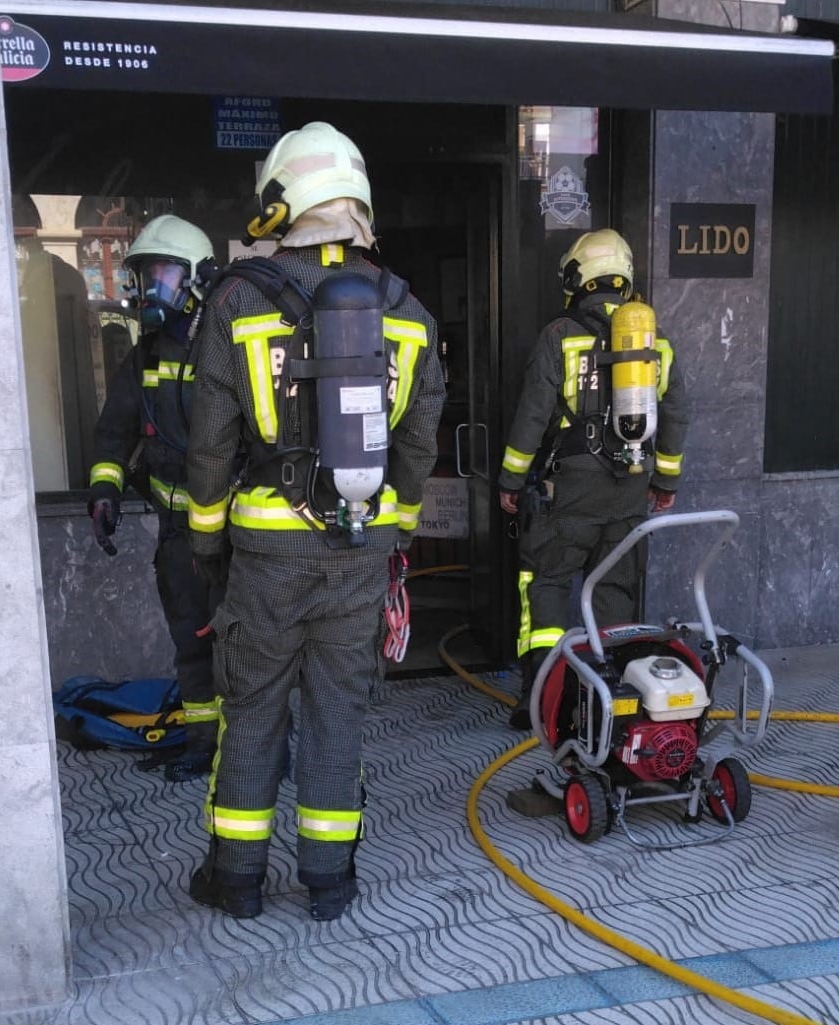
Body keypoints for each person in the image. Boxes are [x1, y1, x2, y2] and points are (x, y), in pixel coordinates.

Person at [182, 121, 445, 921]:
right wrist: (393, 531)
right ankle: (329, 883)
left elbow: (209, 447)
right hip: (358, 549)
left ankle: (237, 880)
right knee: (337, 713)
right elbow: (419, 442)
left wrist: (204, 541)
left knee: (254, 708)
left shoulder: (236, 301)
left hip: (263, 552)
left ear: (280, 200)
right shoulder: (408, 312)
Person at [497, 229, 689, 731]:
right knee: (614, 595)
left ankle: (542, 701)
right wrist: (664, 484)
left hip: (570, 491)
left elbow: (532, 417)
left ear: (578, 278)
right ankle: (616, 700)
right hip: (629, 487)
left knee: (547, 585)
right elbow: (676, 415)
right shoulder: (655, 343)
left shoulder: (560, 336)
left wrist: (510, 481)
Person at [86, 214, 223, 781]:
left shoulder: (227, 345)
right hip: (178, 537)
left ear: (197, 278)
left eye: (164, 274)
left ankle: (258, 747)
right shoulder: (145, 353)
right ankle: (201, 743)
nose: (150, 290)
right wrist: (104, 489)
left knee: (246, 652)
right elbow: (114, 430)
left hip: (238, 533)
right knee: (192, 645)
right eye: (145, 276)